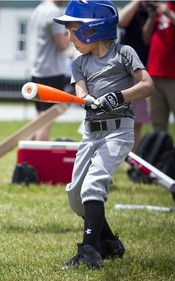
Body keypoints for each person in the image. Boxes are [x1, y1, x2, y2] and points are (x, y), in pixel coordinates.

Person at [53, 0, 153, 269]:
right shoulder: (79, 63)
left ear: (92, 30)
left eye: (74, 30)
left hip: (118, 131)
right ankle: (109, 243)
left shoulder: (124, 53)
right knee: (76, 197)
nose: (70, 37)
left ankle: (89, 251)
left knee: (93, 185)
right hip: (91, 134)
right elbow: (81, 92)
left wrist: (117, 97)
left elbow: (147, 85)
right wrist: (87, 100)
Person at [28, 0, 70, 141]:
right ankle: (38, 159)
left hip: (38, 70)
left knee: (39, 116)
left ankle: (26, 158)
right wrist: (76, 31)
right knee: (47, 120)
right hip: (51, 72)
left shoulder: (39, 9)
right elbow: (62, 44)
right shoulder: (54, 12)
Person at [119, 0, 153, 153]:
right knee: (117, 116)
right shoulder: (136, 9)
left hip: (142, 70)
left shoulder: (155, 12)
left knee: (136, 120)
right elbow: (121, 21)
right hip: (123, 69)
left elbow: (147, 38)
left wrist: (153, 14)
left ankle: (131, 158)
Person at [142, 1, 175, 132]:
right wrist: (151, 17)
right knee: (157, 123)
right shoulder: (161, 8)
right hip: (154, 72)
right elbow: (146, 37)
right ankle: (161, 151)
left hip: (173, 74)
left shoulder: (167, 10)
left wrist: (168, 13)